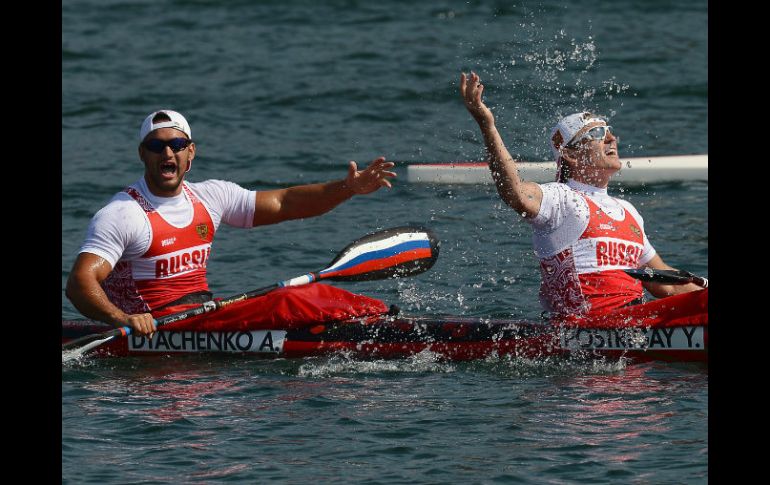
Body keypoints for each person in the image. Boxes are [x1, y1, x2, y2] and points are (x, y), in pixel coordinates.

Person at [65, 109, 396, 336]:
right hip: (157, 326)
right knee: (285, 301)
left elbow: (284, 203)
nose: (168, 153)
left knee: (304, 292)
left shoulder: (210, 196)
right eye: (156, 145)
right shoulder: (123, 213)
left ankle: (380, 319)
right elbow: (80, 283)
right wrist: (124, 320)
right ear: (143, 154)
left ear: (190, 152)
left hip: (201, 314)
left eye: (177, 144)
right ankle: (377, 326)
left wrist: (347, 188)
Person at [459, 71, 703, 316]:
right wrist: (487, 125)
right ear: (571, 155)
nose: (611, 138)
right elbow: (516, 193)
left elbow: (667, 283)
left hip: (635, 322)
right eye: (596, 134)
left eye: (608, 130)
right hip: (583, 330)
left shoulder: (628, 211)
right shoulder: (562, 199)